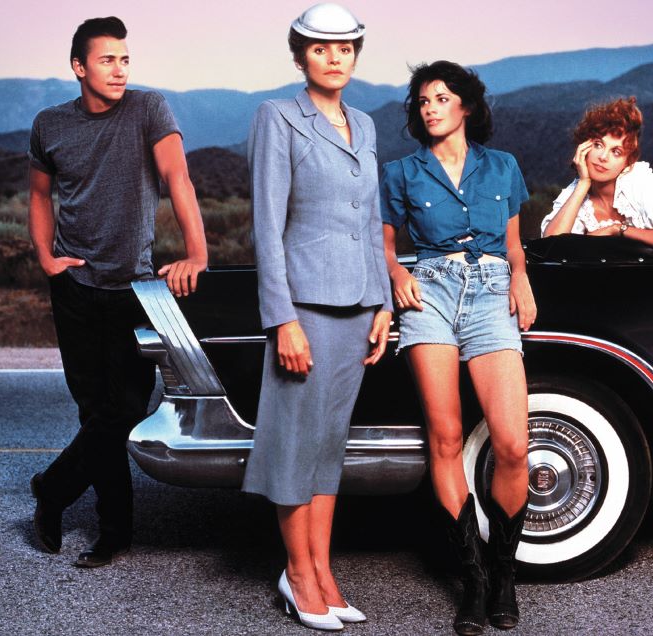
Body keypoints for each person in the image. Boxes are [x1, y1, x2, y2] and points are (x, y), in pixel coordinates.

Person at [27, 16, 207, 568]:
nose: (120, 69)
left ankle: (52, 491)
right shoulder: (49, 124)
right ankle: (115, 531)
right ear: (79, 67)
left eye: (124, 59)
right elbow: (39, 195)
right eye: (107, 60)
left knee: (125, 409)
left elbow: (178, 179)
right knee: (93, 411)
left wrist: (197, 253)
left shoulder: (149, 109)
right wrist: (46, 258)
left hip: (135, 286)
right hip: (76, 286)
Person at [240, 3, 393, 631]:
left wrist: (383, 301)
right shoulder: (278, 117)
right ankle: (296, 573)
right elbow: (266, 226)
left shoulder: (365, 123)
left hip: (359, 304)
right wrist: (282, 320)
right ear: (301, 54)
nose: (335, 58)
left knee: (330, 445)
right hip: (304, 306)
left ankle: (323, 571)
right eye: (322, 48)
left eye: (346, 48)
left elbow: (372, 216)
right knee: (294, 445)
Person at [381, 61, 536, 635]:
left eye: (441, 98)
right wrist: (396, 274)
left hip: (494, 292)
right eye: (422, 101)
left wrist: (521, 279)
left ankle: (504, 574)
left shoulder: (504, 166)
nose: (429, 107)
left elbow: (515, 245)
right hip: (431, 295)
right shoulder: (401, 172)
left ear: (466, 106)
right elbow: (386, 244)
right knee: (445, 438)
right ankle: (471, 581)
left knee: (513, 443)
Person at [541, 97, 653, 253]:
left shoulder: (638, 180)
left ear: (627, 161)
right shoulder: (575, 192)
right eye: (598, 145)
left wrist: (616, 229)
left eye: (616, 152)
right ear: (584, 147)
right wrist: (583, 183)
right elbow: (551, 246)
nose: (603, 157)